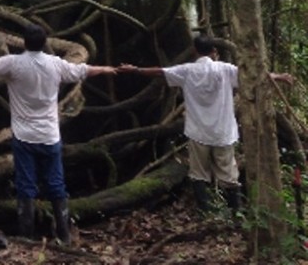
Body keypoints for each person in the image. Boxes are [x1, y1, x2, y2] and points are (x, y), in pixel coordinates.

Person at [0, 23, 117, 244]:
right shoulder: (55, 65)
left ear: (25, 43)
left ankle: (26, 235)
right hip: (49, 137)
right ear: (44, 42)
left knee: (25, 185)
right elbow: (84, 70)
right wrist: (108, 69)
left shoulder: (13, 63)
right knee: (56, 184)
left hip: (24, 137)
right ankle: (64, 234)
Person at [119, 36, 293, 214]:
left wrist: (136, 70)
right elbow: (252, 77)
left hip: (198, 132)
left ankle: (205, 212)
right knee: (229, 176)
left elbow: (160, 72)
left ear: (195, 51)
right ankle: (236, 213)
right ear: (214, 52)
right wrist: (278, 76)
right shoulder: (225, 69)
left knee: (198, 173)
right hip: (222, 132)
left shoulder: (187, 70)